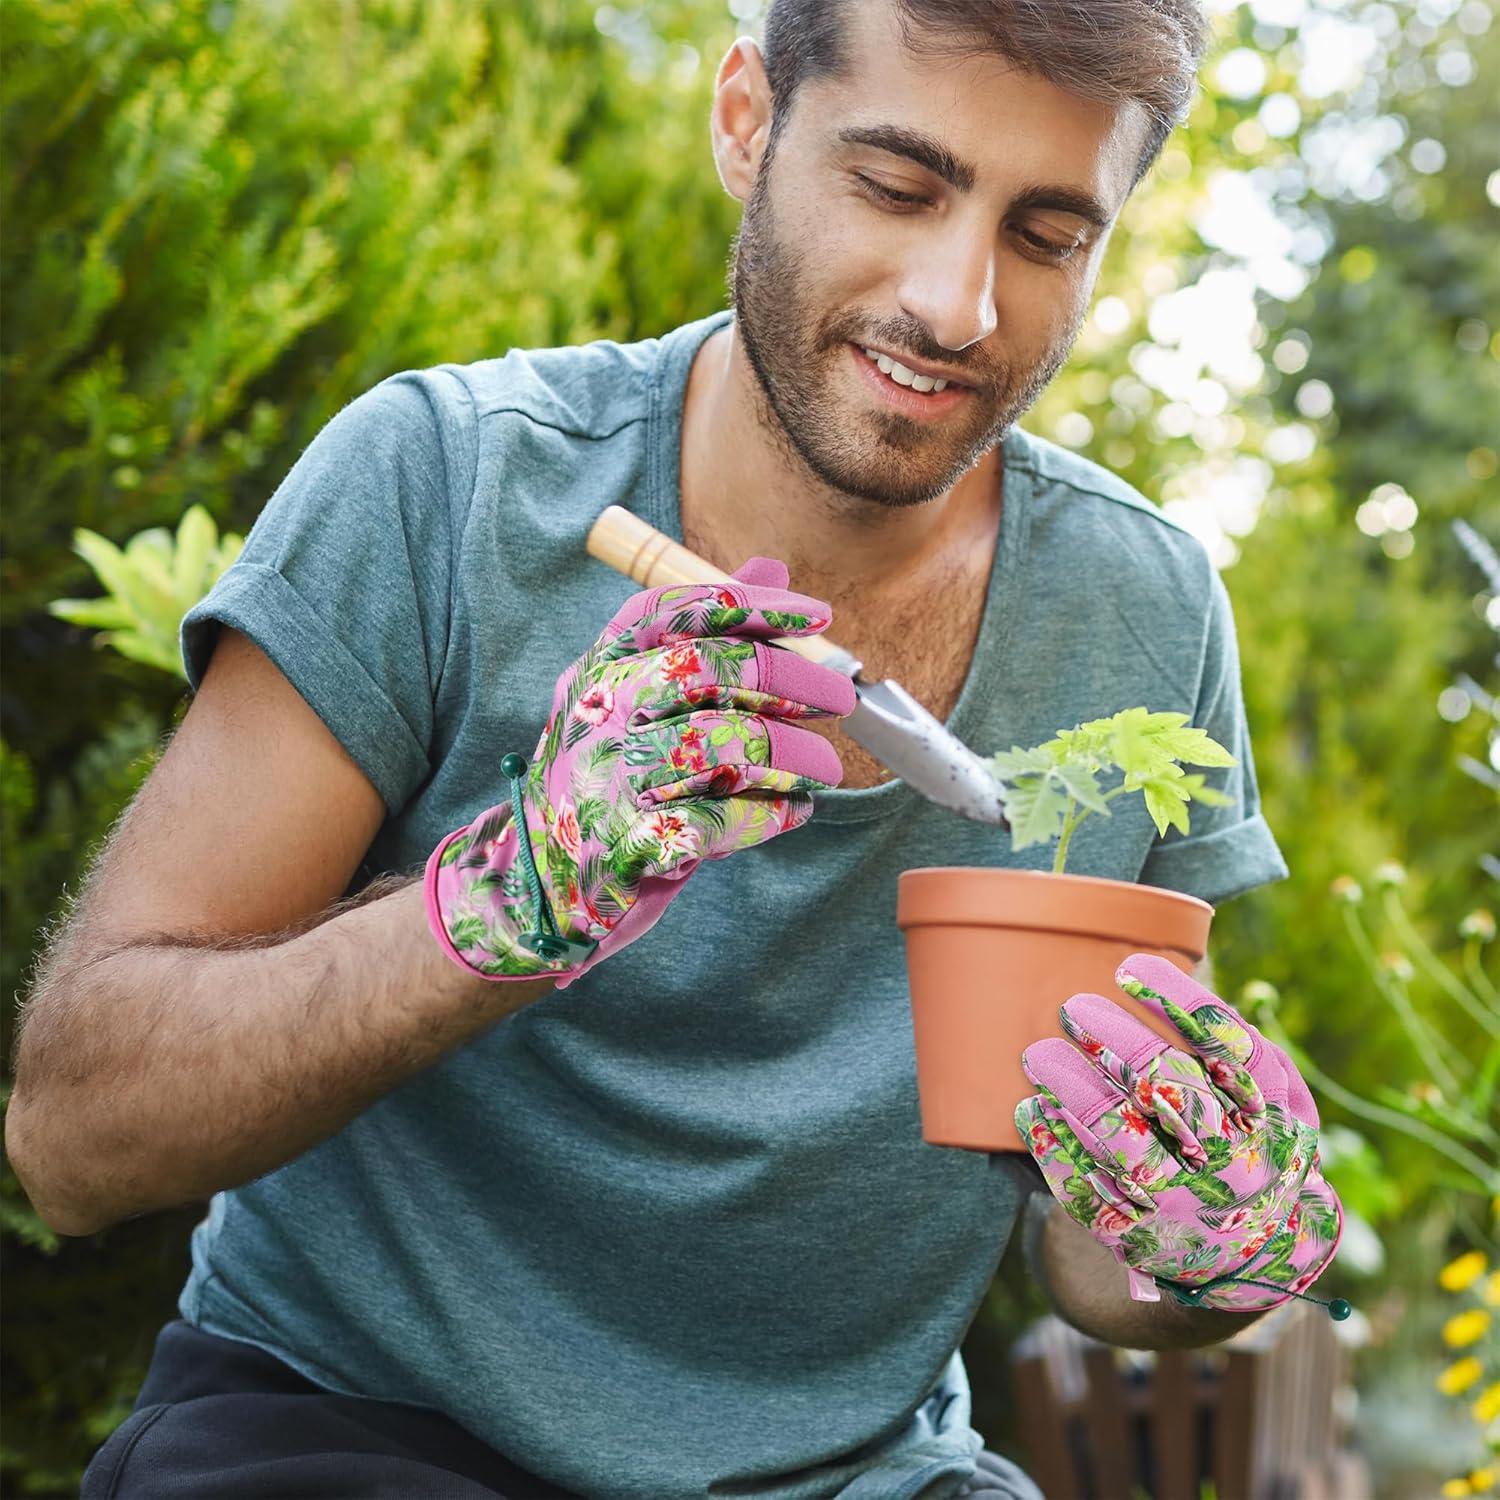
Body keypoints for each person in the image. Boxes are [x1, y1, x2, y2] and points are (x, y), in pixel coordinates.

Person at [6, 1, 1334, 1495]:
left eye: (1046, 235)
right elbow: (74, 1137)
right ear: (745, 121)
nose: (959, 303)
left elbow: (1089, 1242)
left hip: (865, 1472)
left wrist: (1209, 1248)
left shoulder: (1145, 612)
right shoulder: (446, 484)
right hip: (356, 1426)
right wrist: (507, 901)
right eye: (898, 186)